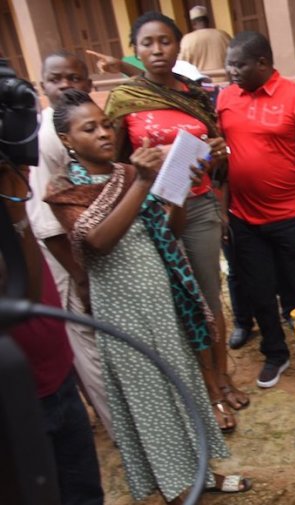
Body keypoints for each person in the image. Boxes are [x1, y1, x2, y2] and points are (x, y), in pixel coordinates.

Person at [45, 89, 252, 502]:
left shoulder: (126, 171)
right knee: (151, 399)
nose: (105, 133)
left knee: (183, 386)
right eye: (90, 129)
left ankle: (203, 475)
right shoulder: (64, 187)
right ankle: (178, 489)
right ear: (68, 140)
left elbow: (170, 230)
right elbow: (98, 240)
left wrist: (178, 188)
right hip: (120, 309)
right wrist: (142, 181)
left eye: (106, 124)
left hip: (161, 299)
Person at [103, 12, 249, 432]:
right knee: (174, 304)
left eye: (164, 42)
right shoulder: (123, 100)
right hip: (150, 215)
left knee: (208, 296)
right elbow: (115, 166)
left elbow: (216, 151)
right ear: (135, 49)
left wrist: (218, 153)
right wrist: (140, 166)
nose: (156, 51)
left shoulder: (195, 95)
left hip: (199, 205)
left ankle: (221, 381)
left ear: (177, 46)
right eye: (147, 43)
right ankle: (200, 390)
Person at [217, 31, 295, 388]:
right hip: (244, 219)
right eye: (229, 63)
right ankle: (275, 354)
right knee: (259, 292)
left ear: (263, 63)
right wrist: (223, 212)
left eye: (238, 64)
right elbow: (224, 158)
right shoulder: (226, 98)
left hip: (291, 218)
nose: (231, 70)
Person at [2, 160, 105, 505]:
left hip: (56, 373)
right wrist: (15, 209)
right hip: (18, 401)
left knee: (85, 493)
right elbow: (22, 293)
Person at [27, 50, 114, 438]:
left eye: (74, 78)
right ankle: (118, 427)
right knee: (86, 341)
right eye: (55, 79)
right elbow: (48, 224)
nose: (65, 86)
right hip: (62, 254)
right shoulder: (48, 137)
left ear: (89, 84)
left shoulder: (80, 126)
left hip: (83, 249)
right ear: (42, 86)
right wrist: (80, 277)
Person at [179, 5, 232, 72]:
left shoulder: (187, 39)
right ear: (207, 21)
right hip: (227, 80)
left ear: (193, 24)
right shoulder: (224, 35)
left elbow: (182, 65)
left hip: (201, 81)